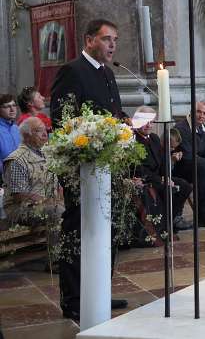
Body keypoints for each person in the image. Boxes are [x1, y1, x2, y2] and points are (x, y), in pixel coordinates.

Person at [49, 19, 128, 320]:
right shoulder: (72, 71)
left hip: (106, 165)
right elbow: (62, 119)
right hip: (80, 169)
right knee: (78, 231)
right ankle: (73, 299)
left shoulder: (108, 73)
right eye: (107, 39)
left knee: (105, 229)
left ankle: (99, 293)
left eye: (115, 40)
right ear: (89, 39)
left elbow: (113, 113)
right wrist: (89, 138)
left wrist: (127, 124)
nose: (112, 45)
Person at [133, 107, 192, 238]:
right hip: (145, 181)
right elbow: (138, 168)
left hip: (159, 178)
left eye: (151, 121)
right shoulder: (132, 139)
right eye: (145, 121)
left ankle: (168, 221)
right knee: (167, 190)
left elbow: (162, 160)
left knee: (185, 186)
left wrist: (167, 176)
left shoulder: (154, 138)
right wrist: (160, 180)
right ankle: (162, 225)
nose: (149, 125)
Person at [2, 117, 61, 247]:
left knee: (73, 206)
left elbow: (56, 183)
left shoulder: (46, 154)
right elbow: (20, 196)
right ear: (26, 136)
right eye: (38, 131)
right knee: (56, 211)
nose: (45, 134)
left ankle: (75, 255)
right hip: (20, 209)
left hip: (45, 203)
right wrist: (48, 201)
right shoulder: (16, 159)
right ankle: (57, 260)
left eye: (45, 129)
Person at [0, 94, 21, 177]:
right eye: (7, 106)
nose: (12, 109)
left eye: (13, 105)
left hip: (20, 178)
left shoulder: (16, 128)